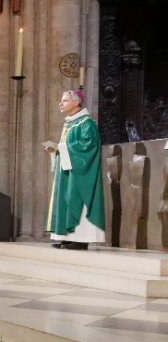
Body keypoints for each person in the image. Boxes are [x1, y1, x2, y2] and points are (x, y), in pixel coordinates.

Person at [46, 89, 106, 249]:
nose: (60, 103)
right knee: (65, 199)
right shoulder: (70, 123)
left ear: (76, 102)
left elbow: (89, 146)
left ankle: (81, 240)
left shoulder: (86, 123)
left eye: (64, 100)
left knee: (76, 197)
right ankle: (66, 236)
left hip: (80, 173)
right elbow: (67, 147)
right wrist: (56, 150)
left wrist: (62, 148)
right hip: (67, 170)